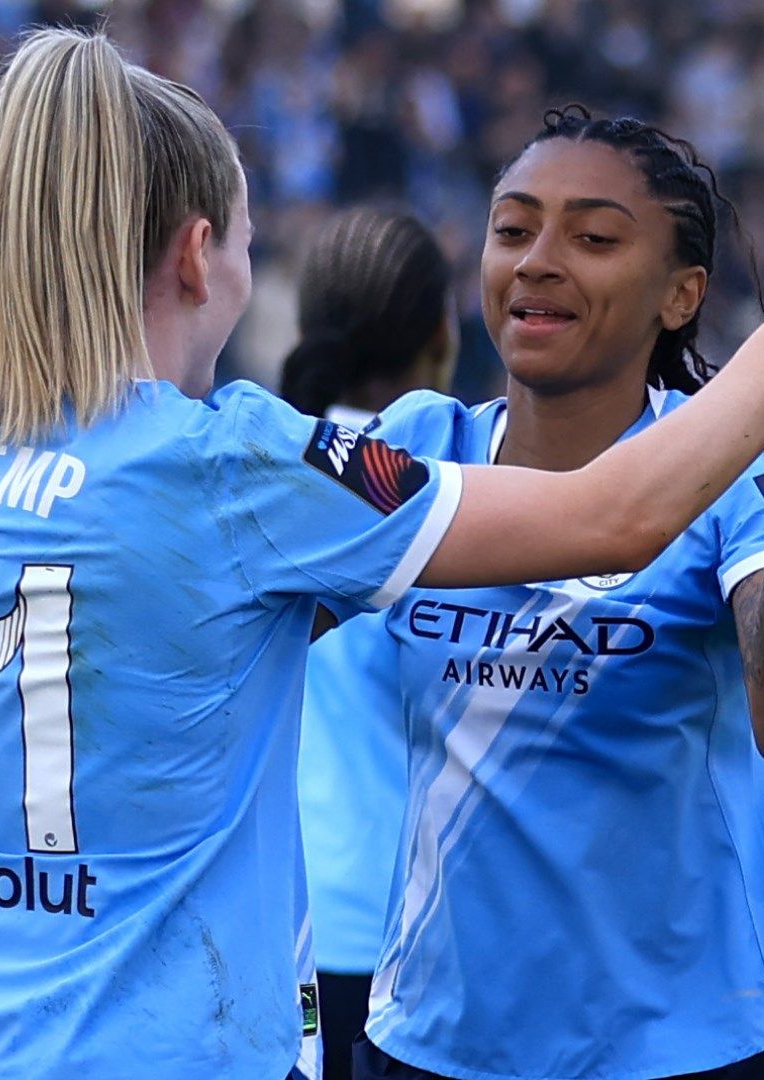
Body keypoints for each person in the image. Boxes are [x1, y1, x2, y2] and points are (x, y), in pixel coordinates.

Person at [0, 27, 764, 1078]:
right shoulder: (239, 471)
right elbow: (615, 516)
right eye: (249, 243)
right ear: (198, 255)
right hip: (179, 1053)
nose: (539, 259)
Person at [318, 107, 764, 1080]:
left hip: (682, 1051)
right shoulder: (413, 447)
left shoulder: (747, 477)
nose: (538, 261)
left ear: (681, 294)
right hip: (430, 1045)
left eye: (593, 238)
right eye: (513, 229)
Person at [279, 208, 457, 1080]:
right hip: (412, 928)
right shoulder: (448, 494)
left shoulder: (264, 472)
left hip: (282, 922)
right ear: (441, 335)